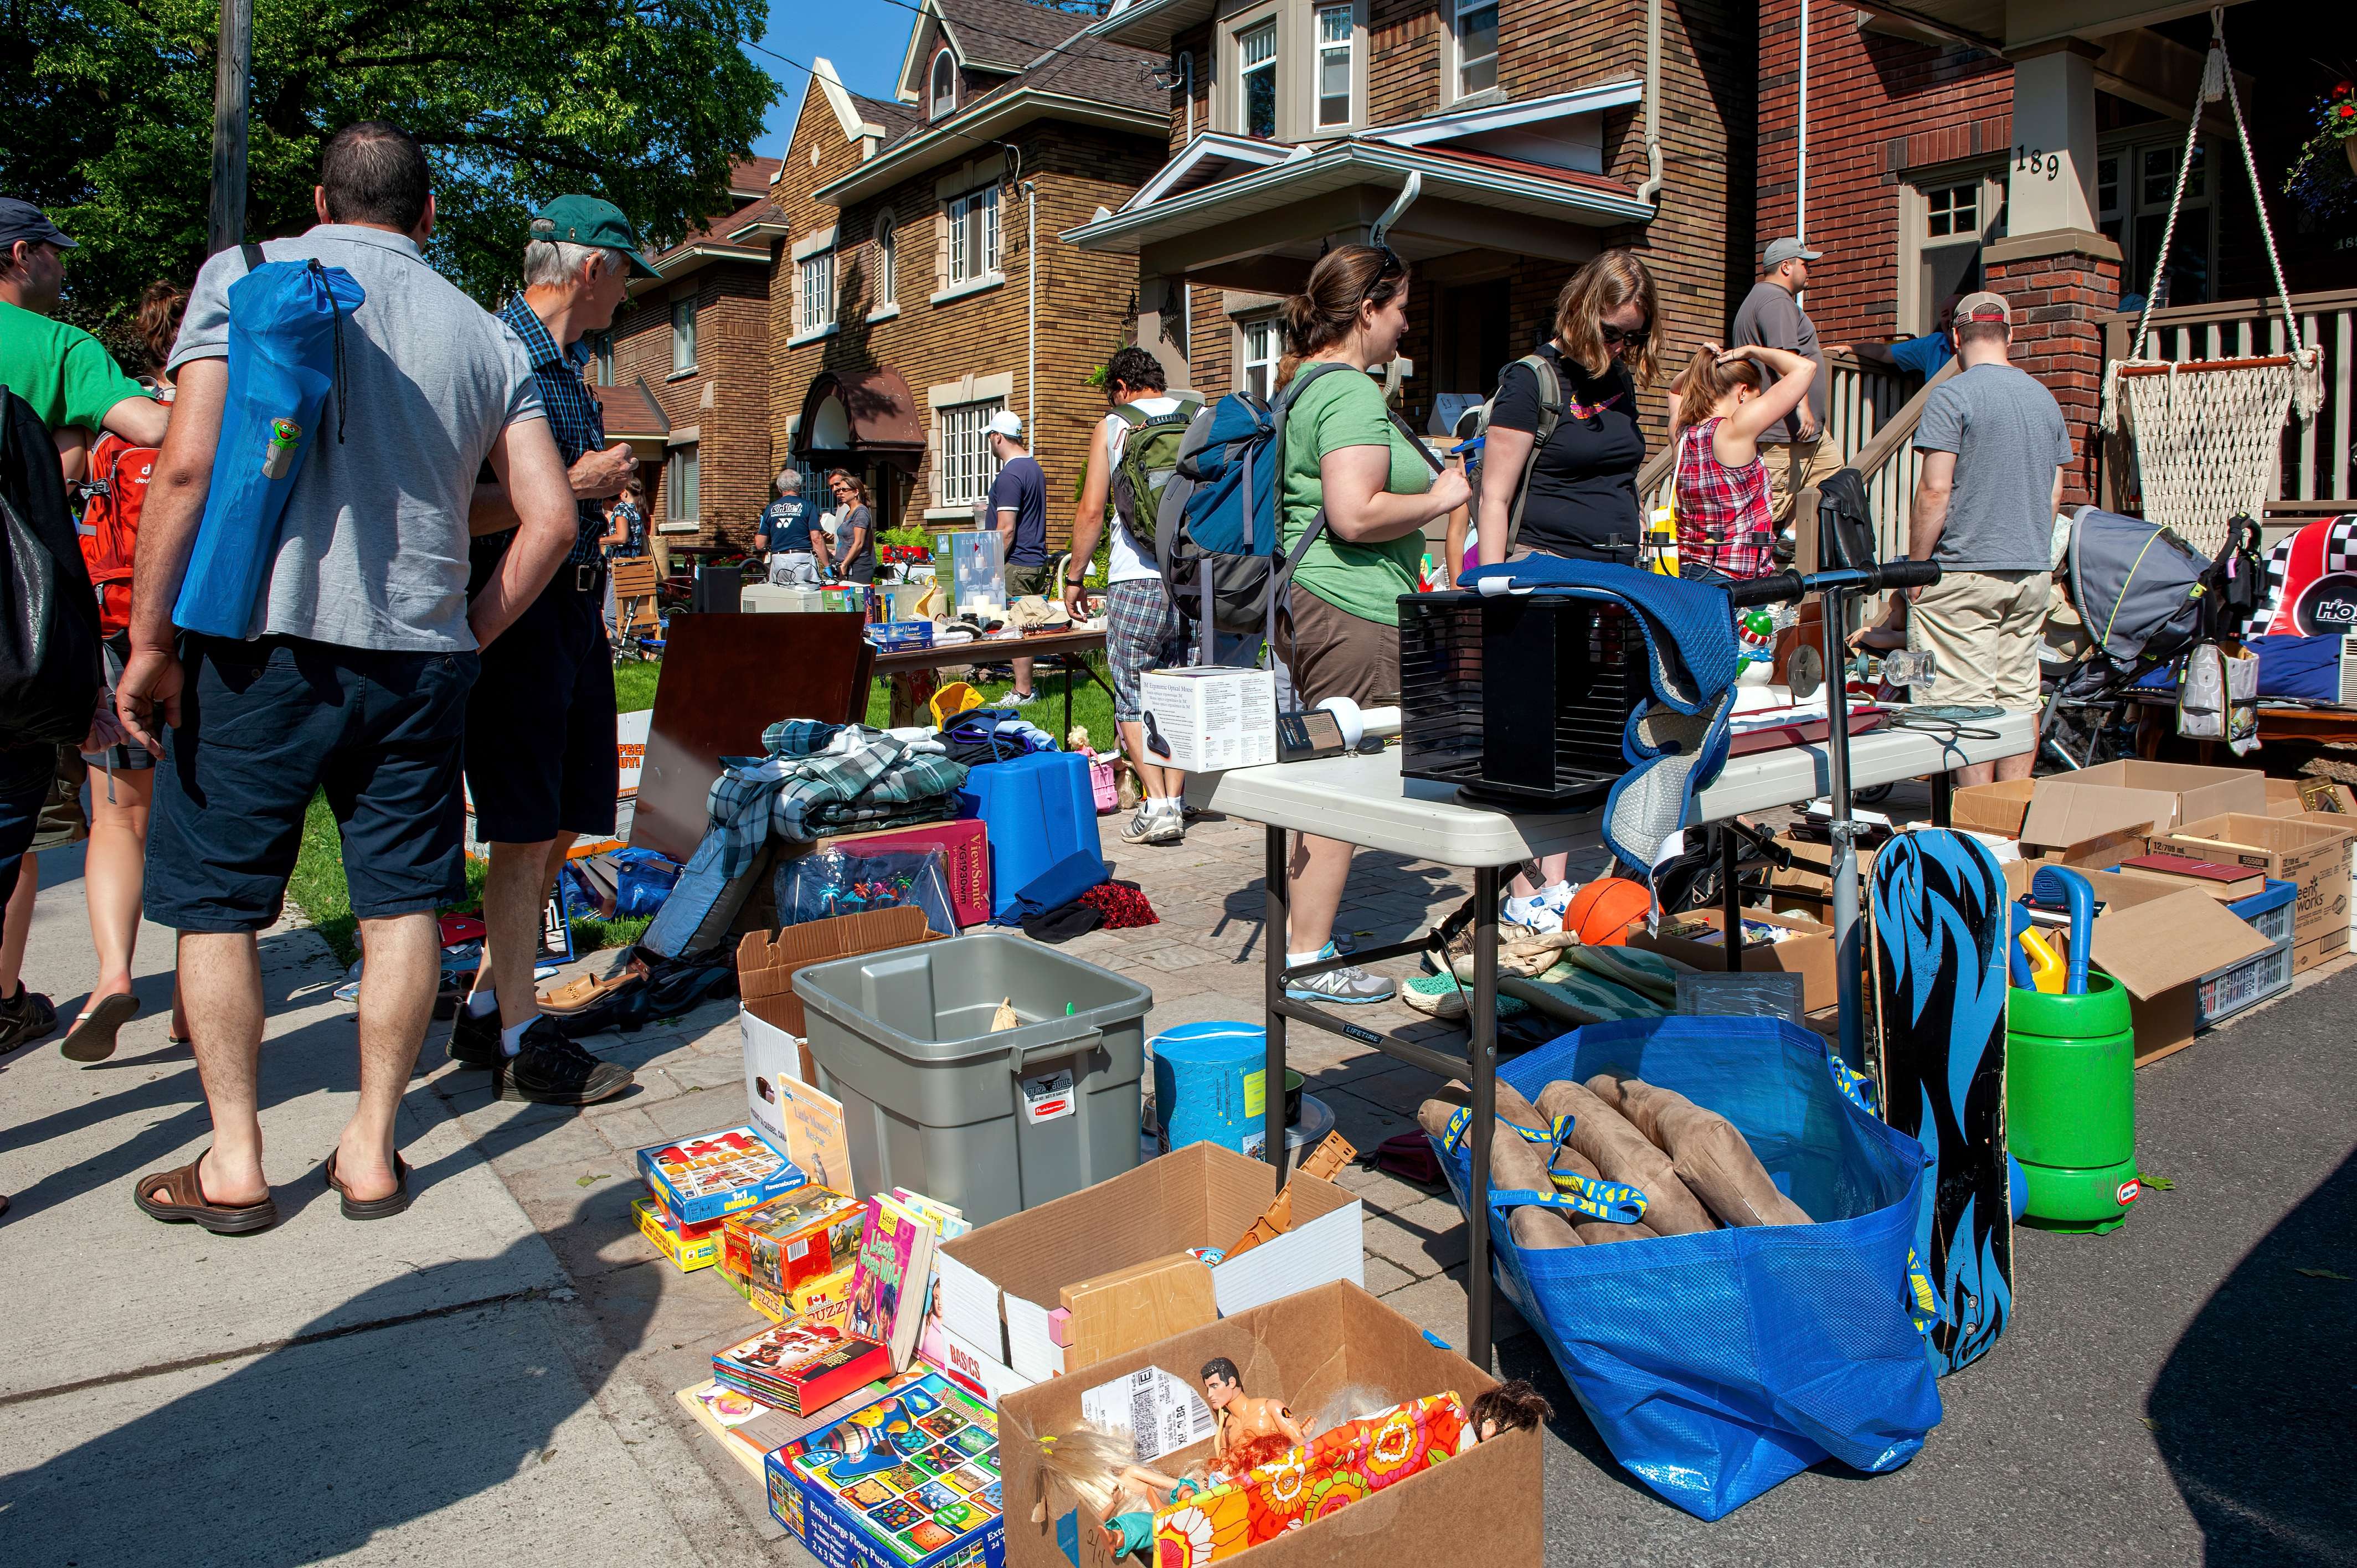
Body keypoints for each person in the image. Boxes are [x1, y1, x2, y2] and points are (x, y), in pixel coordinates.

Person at [117, 122, 581, 1233]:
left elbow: (185, 466)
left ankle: (236, 1161)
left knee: (221, 907)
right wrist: (471, 628)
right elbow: (553, 518)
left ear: (322, 201)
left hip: (257, 646)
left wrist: (149, 643)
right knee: (400, 903)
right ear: (430, 215)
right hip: (418, 659)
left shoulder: (245, 274)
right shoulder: (487, 335)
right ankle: (371, 1152)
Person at [451, 195, 652, 1105]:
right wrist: (574, 483)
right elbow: (453, 504)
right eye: (626, 274)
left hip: (574, 614)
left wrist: (592, 493)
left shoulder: (569, 368)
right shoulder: (494, 354)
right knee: (524, 828)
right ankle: (521, 1039)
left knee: (571, 813)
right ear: (591, 268)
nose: (628, 294)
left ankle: (487, 1005)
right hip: (517, 615)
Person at [0, 199, 174, 1060]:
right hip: (43, 633)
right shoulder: (62, 350)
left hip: (81, 625)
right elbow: (162, 434)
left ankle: (86, 979)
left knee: (109, 817)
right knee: (158, 811)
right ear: (21, 254)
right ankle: (192, 990)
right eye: (54, 254)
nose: (62, 270)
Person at [1274, 244, 1467, 1004]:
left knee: (1323, 774)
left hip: (1318, 603)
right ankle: (1310, 959)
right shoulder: (1349, 390)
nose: (1406, 325)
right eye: (1401, 309)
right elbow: (1354, 515)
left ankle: (1306, 942)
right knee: (1342, 787)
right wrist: (1440, 499)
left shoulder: (1305, 383)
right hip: (1351, 607)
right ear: (1366, 310)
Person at [1476, 250, 1662, 933]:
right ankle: (1523, 889)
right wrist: (1492, 589)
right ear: (1582, 312)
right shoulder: (1530, 381)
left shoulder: (1619, 380)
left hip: (1611, 579)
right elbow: (1493, 495)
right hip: (1544, 573)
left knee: (1584, 730)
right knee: (1538, 734)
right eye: (1612, 333)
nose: (1620, 348)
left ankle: (1553, 883)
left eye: (1633, 336)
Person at [62, 281, 196, 1061]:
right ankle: (193, 995)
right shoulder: (227, 414)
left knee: (117, 818)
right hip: (205, 637)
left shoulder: (110, 422)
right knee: (205, 815)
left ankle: (112, 973)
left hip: (115, 631)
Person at [1896, 291, 2071, 785]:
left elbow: (1935, 490)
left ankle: (1974, 822)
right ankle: (2009, 818)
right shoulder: (2044, 399)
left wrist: (1916, 569)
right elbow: (2055, 493)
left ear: (1956, 338)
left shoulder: (1953, 395)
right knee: (2019, 701)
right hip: (2031, 571)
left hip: (1963, 571)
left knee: (1964, 705)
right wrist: (2033, 549)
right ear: (2009, 336)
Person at [1065, 346, 1193, 847]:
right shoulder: (1200, 415)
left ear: (1120, 387)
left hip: (1135, 578)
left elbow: (1091, 511)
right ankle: (1177, 801)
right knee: (1182, 691)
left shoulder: (1114, 426)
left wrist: (1076, 576)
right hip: (1194, 578)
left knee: (1133, 692)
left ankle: (1156, 804)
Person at [1664, 342, 1819, 582]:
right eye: (1757, 397)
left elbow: (1676, 391)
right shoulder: (1736, 430)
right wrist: (1751, 351)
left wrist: (1706, 365)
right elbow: (1805, 368)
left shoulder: (1680, 432)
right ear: (1743, 392)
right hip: (1737, 576)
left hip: (1687, 570)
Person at [1731, 238, 1839, 533]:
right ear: (1786, 267)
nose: (1809, 271)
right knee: (1770, 515)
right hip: (1784, 431)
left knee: (1833, 479)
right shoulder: (1776, 302)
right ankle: (1777, 551)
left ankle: (1791, 539)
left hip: (1804, 434)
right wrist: (1802, 407)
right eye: (1805, 264)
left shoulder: (1762, 298)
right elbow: (1786, 362)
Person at [985, 410, 1049, 702]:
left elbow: (1006, 529)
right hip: (1034, 560)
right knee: (1027, 624)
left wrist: (991, 565)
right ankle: (1025, 688)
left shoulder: (1010, 475)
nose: (990, 442)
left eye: (990, 436)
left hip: (1017, 563)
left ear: (998, 436)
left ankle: (1023, 692)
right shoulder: (1033, 468)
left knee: (1016, 626)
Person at [755, 469, 819, 584]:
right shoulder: (808, 506)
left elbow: (760, 544)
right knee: (804, 592)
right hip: (801, 559)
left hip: (778, 560)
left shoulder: (770, 509)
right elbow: (816, 538)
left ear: (779, 488)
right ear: (799, 486)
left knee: (781, 593)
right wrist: (827, 565)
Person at [826, 470, 875, 584]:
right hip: (846, 566)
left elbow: (859, 543)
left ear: (856, 492)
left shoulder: (861, 512)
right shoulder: (849, 512)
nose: (839, 492)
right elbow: (847, 540)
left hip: (857, 568)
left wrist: (845, 564)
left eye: (844, 490)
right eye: (839, 490)